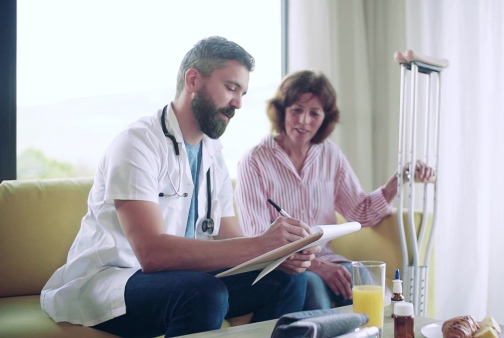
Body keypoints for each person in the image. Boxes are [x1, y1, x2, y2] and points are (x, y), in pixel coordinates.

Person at [41, 37, 319, 338]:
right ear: (194, 80)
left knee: (289, 280)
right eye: (230, 88)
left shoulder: (213, 153)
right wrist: (261, 243)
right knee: (204, 293)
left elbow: (229, 235)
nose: (238, 102)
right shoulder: (137, 143)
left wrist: (280, 253)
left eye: (242, 93)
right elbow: (152, 254)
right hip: (113, 280)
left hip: (181, 280)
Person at [234, 70, 435, 310]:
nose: (304, 121)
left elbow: (360, 211)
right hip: (282, 269)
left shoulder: (331, 155)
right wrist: (317, 267)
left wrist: (400, 178)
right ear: (282, 110)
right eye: (297, 109)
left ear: (325, 118)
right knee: (314, 288)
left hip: (330, 259)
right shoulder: (254, 161)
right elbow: (259, 238)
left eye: (314, 113)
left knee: (375, 293)